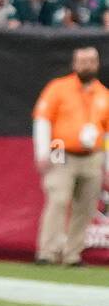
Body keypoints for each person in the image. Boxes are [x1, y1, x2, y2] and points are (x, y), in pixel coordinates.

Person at [32, 47, 109, 266]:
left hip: (92, 154)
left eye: (91, 61)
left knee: (85, 206)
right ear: (74, 64)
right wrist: (42, 152)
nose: (87, 65)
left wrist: (107, 164)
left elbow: (107, 134)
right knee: (58, 199)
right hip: (60, 149)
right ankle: (48, 252)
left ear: (97, 64)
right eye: (82, 61)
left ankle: (72, 254)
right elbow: (43, 119)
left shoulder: (103, 94)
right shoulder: (58, 88)